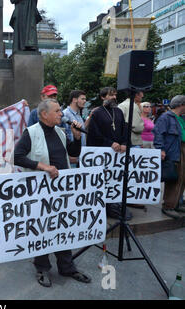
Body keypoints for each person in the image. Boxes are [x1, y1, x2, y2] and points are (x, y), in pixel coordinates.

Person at [14, 99, 91, 288]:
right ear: (44, 114)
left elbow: (72, 154)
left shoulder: (60, 131)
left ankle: (67, 267)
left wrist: (77, 137)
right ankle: (42, 268)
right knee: (42, 228)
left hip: (61, 189)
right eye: (57, 111)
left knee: (62, 227)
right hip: (41, 191)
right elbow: (17, 157)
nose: (61, 114)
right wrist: (43, 167)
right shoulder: (30, 133)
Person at [86, 87, 131, 220]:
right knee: (103, 180)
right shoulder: (97, 113)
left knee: (115, 180)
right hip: (103, 153)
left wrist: (124, 143)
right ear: (103, 97)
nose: (114, 97)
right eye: (111, 95)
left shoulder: (118, 111)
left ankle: (113, 206)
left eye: (115, 94)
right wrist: (109, 143)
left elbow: (124, 129)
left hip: (118, 154)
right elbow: (94, 133)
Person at [153, 95, 185, 219]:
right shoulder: (166, 117)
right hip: (174, 150)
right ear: (181, 105)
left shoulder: (181, 117)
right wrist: (160, 149)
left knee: (182, 177)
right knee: (174, 178)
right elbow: (158, 133)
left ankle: (177, 203)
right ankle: (169, 205)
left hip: (181, 147)